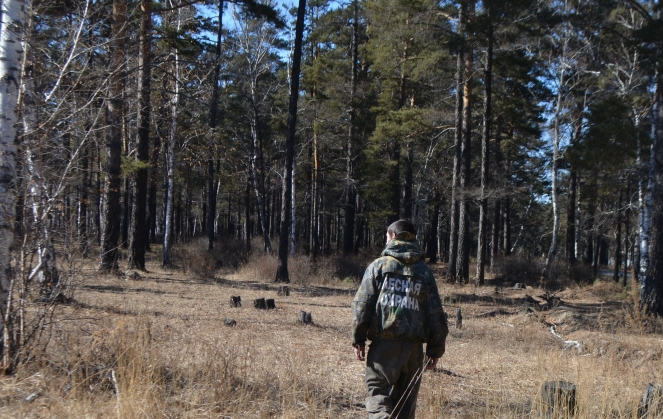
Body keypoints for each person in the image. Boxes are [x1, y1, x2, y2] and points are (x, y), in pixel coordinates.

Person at [351, 219, 448, 419]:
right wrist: (435, 349)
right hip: (414, 351)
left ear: (394, 236)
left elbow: (362, 306)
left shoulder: (379, 267)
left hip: (384, 348)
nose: (385, 241)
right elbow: (435, 314)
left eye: (386, 237)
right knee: (405, 408)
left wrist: (358, 339)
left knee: (378, 399)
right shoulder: (424, 272)